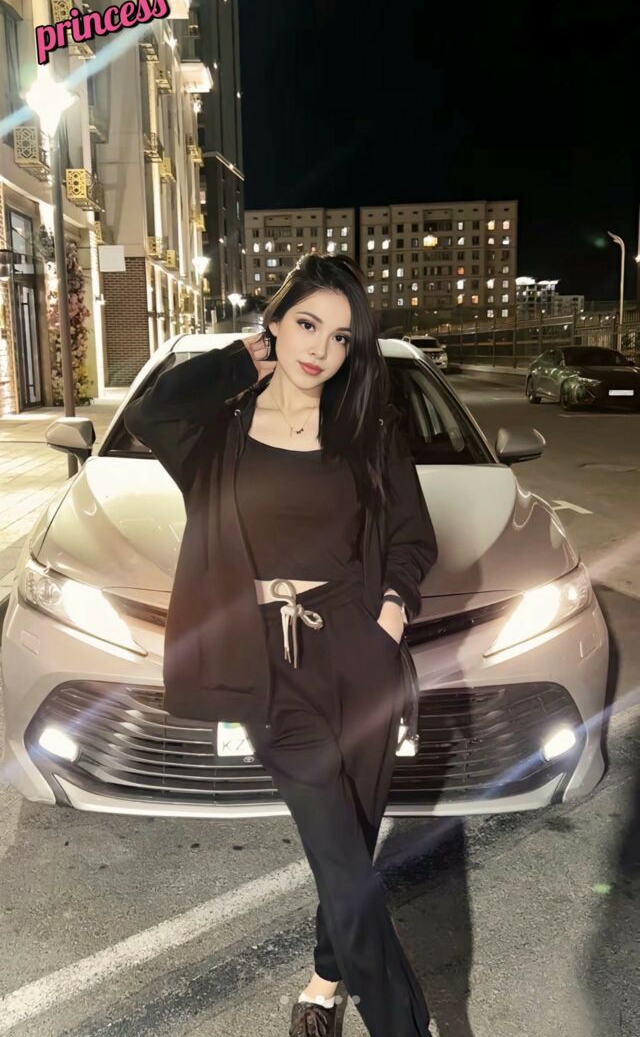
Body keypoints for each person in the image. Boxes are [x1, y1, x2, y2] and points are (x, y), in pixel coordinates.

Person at [124, 252, 438, 1037]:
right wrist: (240, 359)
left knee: (352, 843)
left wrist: (391, 614)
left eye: (340, 337)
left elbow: (411, 535)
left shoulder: (367, 430)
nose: (320, 349)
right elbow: (150, 414)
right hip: (268, 663)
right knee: (339, 852)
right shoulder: (220, 433)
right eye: (306, 324)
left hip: (361, 649)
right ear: (274, 322)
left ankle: (325, 982)